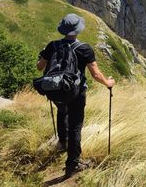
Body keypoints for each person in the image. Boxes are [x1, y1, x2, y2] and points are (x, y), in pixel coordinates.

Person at [36, 13, 115, 177]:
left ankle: (62, 142)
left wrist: (44, 54)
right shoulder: (84, 48)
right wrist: (108, 83)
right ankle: (73, 163)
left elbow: (39, 67)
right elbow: (95, 74)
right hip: (76, 92)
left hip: (56, 90)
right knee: (75, 125)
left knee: (61, 111)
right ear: (78, 30)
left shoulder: (52, 45)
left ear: (63, 29)